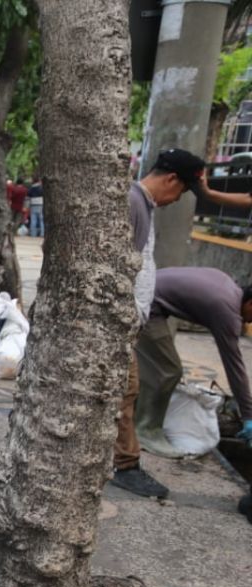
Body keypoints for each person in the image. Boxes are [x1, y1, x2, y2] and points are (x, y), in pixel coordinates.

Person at [111, 147, 206, 498]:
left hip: (128, 321)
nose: (176, 199)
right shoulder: (134, 202)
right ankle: (126, 465)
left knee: (125, 392)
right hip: (120, 324)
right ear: (170, 179)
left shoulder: (142, 204)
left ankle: (125, 462)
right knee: (126, 391)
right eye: (180, 191)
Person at [133, 268, 252, 453]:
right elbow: (234, 367)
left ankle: (133, 416)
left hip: (144, 288)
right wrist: (248, 416)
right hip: (146, 303)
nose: (250, 323)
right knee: (168, 371)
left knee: (148, 365)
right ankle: (146, 432)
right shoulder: (228, 312)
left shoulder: (228, 284)